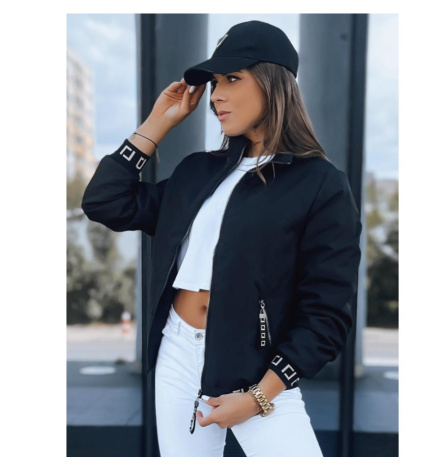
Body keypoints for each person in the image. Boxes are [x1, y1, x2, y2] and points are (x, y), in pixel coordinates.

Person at [81, 20, 362, 457]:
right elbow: (105, 202)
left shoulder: (320, 184)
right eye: (214, 83)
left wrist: (259, 397)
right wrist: (156, 124)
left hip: (257, 370)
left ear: (273, 83)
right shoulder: (198, 172)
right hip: (177, 353)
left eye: (232, 78)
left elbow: (327, 313)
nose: (215, 96)